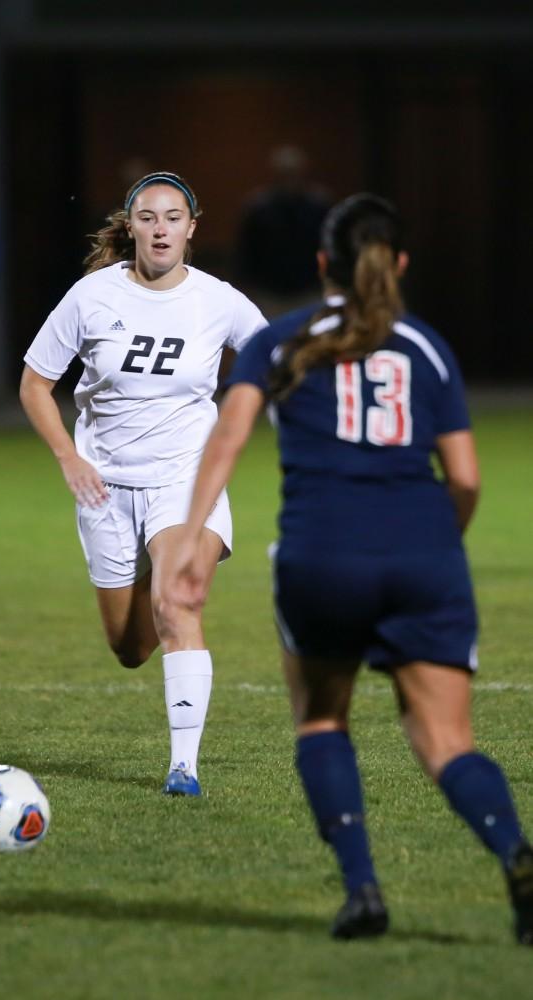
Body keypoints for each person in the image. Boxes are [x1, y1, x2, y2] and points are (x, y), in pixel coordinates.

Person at [166, 193, 533, 941]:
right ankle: (516, 855)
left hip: (322, 556)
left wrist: (188, 545)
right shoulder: (425, 346)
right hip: (423, 554)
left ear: (322, 264)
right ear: (398, 263)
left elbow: (229, 438)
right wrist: (435, 543)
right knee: (446, 743)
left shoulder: (284, 339)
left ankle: (363, 889)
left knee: (323, 719)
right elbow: (464, 477)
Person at [19, 171, 266, 796]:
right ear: (131, 227)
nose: (161, 229)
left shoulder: (218, 300)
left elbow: (273, 359)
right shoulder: (91, 297)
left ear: (192, 227)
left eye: (173, 217)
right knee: (130, 646)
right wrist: (68, 458)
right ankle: (166, 577)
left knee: (178, 604)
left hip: (186, 479)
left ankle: (184, 767)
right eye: (149, 218)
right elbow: (34, 383)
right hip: (105, 487)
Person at [234, 145, 330, 318]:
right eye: (285, 173)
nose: (290, 178)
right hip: (269, 293)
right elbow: (247, 250)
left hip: (308, 290)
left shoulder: (318, 205)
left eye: (294, 172)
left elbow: (327, 245)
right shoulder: (259, 207)